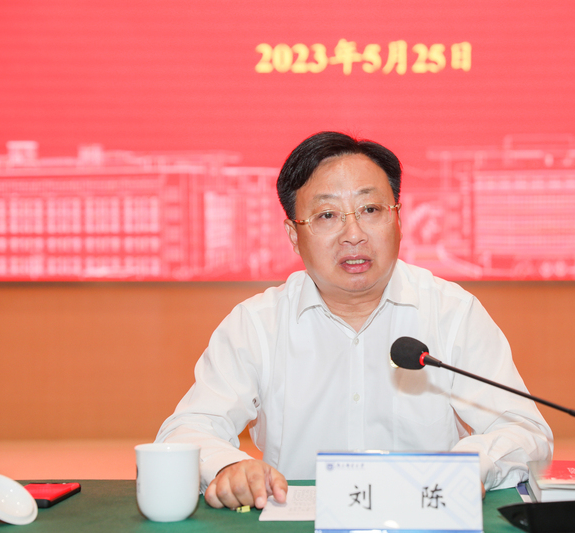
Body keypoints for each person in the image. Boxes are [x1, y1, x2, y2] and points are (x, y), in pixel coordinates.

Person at [155, 131, 553, 510]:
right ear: (293, 234)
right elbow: (186, 431)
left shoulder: (453, 313)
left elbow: (525, 431)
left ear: (398, 219)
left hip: (422, 518)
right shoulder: (257, 324)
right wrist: (228, 467)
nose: (354, 234)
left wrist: (469, 464)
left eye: (371, 210)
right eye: (327, 215)